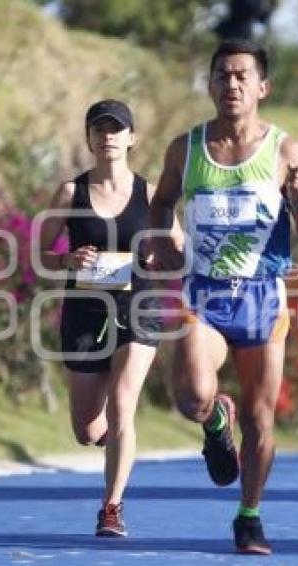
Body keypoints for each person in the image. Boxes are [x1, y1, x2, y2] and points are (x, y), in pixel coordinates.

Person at [147, 39, 298, 555]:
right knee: (193, 398)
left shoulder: (286, 151)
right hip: (205, 294)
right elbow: (160, 204)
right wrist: (163, 240)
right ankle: (213, 420)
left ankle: (249, 517)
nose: (232, 84)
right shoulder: (187, 147)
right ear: (210, 84)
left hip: (263, 300)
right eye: (222, 75)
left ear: (262, 88)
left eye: (243, 76)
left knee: (262, 419)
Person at [39, 99, 182, 537]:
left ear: (131, 138)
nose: (108, 136)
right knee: (87, 429)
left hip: (137, 309)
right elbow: (40, 254)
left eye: (116, 129)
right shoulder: (70, 193)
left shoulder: (150, 193)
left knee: (123, 407)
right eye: (99, 129)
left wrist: (163, 256)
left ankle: (111, 508)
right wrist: (68, 260)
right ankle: (117, 446)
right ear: (89, 138)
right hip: (84, 313)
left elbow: (179, 247)